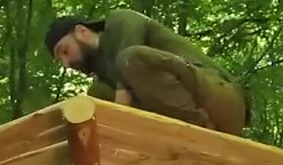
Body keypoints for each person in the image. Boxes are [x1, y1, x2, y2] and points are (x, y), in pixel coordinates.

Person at [43, 8, 250, 134]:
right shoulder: (104, 83)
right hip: (178, 119)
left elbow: (130, 36)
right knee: (97, 97)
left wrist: (122, 88)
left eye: (65, 51)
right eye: (60, 59)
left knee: (131, 59)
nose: (66, 63)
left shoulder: (119, 21)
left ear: (82, 32)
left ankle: (199, 131)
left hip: (218, 98)